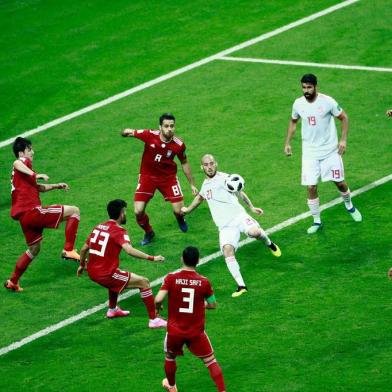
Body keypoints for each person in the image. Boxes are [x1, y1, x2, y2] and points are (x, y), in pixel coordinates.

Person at [181, 154, 281, 298]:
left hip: (239, 217)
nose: (209, 167)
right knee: (227, 251)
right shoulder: (205, 185)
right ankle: (241, 286)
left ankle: (270, 244)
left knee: (255, 233)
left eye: (211, 164)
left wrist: (252, 207)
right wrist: (188, 210)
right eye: (206, 165)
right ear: (202, 167)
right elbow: (199, 198)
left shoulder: (226, 178)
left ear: (216, 164)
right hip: (225, 227)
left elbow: (240, 192)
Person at [284, 73, 362, 234]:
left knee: (339, 182)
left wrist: (343, 140)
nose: (306, 90)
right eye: (304, 87)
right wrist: (287, 143)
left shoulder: (327, 102)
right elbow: (293, 122)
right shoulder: (298, 104)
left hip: (330, 151)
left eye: (309, 87)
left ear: (315, 87)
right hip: (310, 153)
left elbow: (344, 118)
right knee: (311, 186)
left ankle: (349, 205)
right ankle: (317, 221)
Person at [4, 137, 80, 292]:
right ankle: (69, 249)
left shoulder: (22, 175)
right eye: (29, 149)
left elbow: (38, 187)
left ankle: (13, 281)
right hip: (32, 212)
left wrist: (56, 185)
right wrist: (35, 174)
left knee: (34, 249)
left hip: (24, 218)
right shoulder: (22, 163)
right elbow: (16, 163)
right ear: (21, 152)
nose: (33, 152)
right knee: (74, 211)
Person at [77, 199, 167, 328]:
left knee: (116, 277)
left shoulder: (98, 226)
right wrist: (152, 258)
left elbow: (84, 249)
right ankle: (154, 320)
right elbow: (129, 250)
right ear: (121, 213)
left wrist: (81, 265)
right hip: (105, 274)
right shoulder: (119, 231)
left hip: (92, 271)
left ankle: (112, 310)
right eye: (125, 211)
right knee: (144, 282)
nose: (126, 214)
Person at [155, 246, 226, 392]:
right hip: (196, 332)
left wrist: (157, 307)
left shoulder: (171, 278)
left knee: (170, 357)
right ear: (198, 261)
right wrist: (201, 305)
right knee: (210, 361)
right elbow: (212, 304)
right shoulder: (204, 282)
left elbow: (158, 298)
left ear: (182, 258)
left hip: (175, 331)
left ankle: (172, 386)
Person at [121, 113, 198, 245]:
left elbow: (184, 162)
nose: (170, 129)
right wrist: (126, 132)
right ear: (160, 127)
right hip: (147, 176)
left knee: (179, 211)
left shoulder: (178, 145)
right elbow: (129, 132)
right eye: (166, 126)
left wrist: (191, 184)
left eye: (172, 126)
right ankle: (149, 232)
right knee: (138, 211)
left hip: (168, 178)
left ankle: (180, 218)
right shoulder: (149, 135)